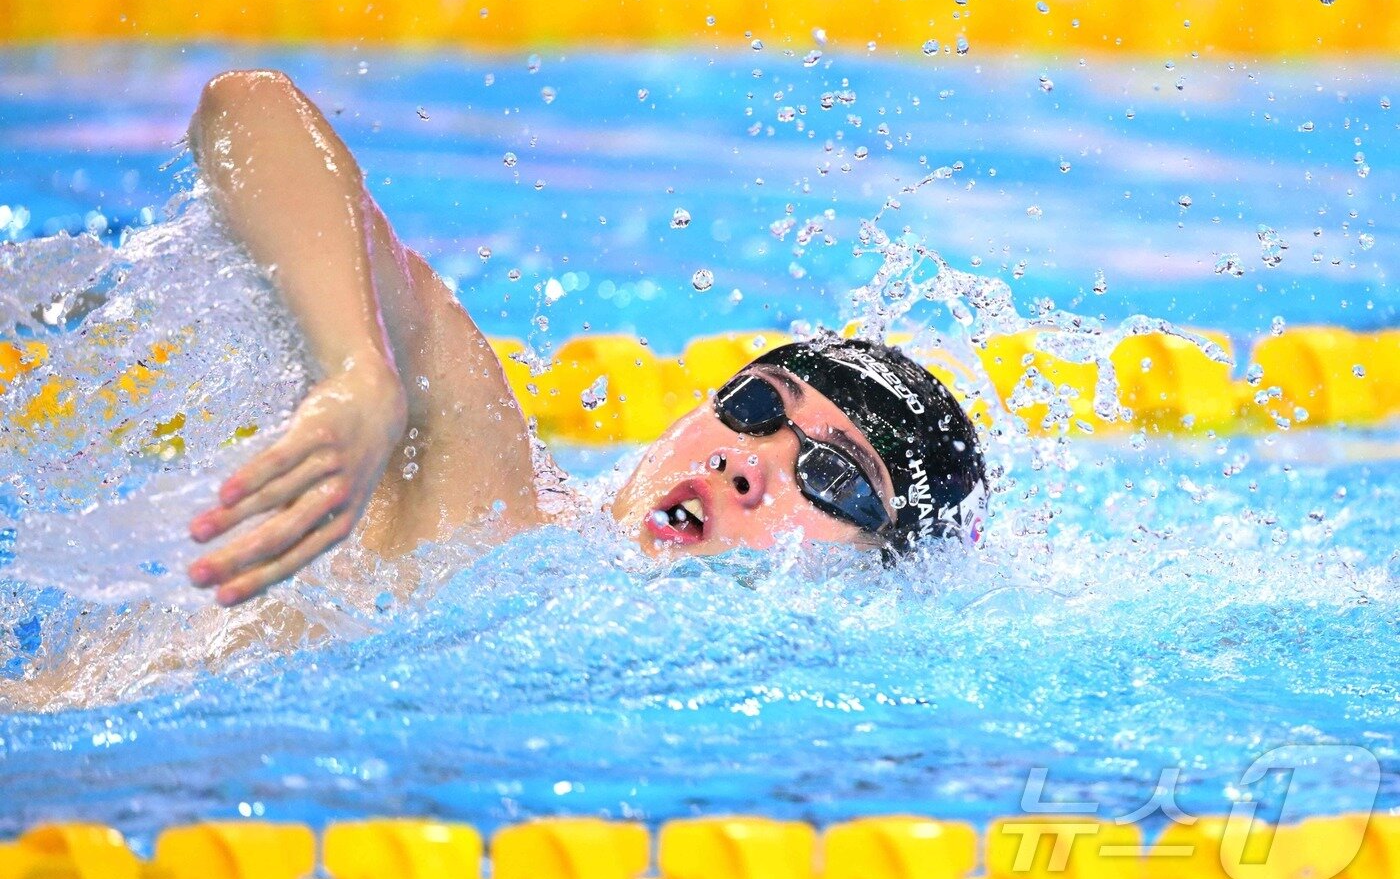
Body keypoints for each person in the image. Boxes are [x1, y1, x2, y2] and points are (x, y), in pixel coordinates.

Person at [184, 69, 988, 607]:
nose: (746, 463)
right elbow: (247, 110)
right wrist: (359, 369)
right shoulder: (487, 503)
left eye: (832, 477)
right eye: (752, 406)